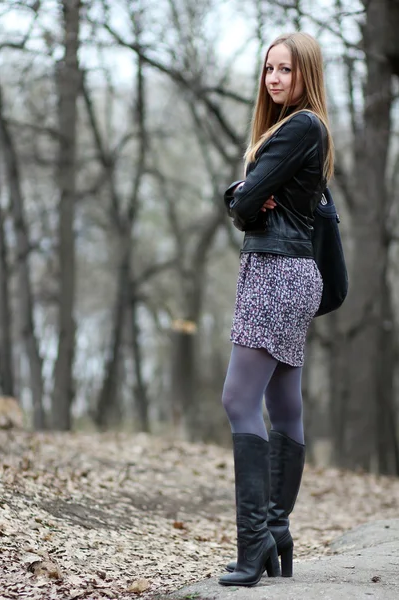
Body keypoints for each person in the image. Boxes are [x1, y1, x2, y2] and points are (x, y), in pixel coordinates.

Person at [218, 32, 334, 587]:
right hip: (292, 273)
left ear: (305, 73)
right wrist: (243, 195)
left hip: (275, 273)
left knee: (239, 398)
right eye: (268, 69)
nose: (274, 79)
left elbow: (244, 203)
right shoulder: (299, 131)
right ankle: (278, 530)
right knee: (283, 403)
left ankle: (254, 542)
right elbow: (245, 199)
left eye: (285, 69)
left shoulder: (301, 126)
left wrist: (242, 195)